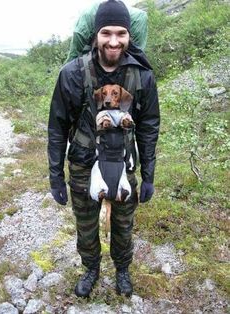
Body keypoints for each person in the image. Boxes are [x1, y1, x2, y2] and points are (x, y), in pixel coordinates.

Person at [48, 0, 160, 298]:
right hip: (84, 164)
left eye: (121, 33)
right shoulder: (72, 73)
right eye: (106, 33)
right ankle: (91, 269)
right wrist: (56, 177)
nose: (113, 41)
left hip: (123, 163)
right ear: (96, 35)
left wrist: (148, 175)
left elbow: (149, 127)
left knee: (124, 224)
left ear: (129, 36)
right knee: (86, 224)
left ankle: (122, 270)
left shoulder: (142, 76)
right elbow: (57, 128)